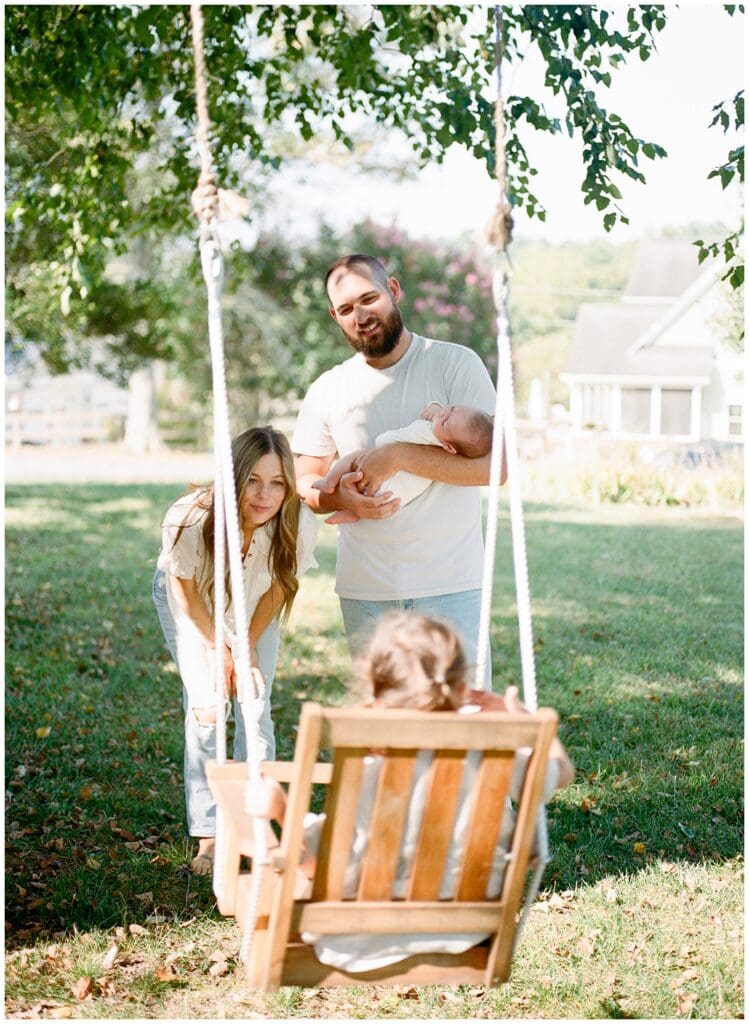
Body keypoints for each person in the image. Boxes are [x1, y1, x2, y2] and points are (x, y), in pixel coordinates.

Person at [247, 612, 574, 974]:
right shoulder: (498, 753)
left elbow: (316, 865)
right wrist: (528, 722)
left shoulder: (367, 773)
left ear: (374, 694)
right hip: (465, 931)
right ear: (463, 684)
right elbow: (561, 773)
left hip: (361, 942)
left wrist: (281, 810)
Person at [292, 253, 505, 682]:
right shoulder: (328, 388)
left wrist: (400, 456)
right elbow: (303, 481)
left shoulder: (454, 364)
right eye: (347, 309)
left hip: (452, 584)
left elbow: (496, 468)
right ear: (335, 316)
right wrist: (337, 496)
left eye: (369, 298)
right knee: (386, 729)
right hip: (366, 591)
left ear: (393, 290)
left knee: (460, 724)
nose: (361, 315)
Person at [152, 426, 318, 874]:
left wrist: (242, 648)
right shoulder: (189, 517)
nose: (266, 495)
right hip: (195, 602)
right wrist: (217, 649)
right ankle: (209, 834)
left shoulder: (295, 519)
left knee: (253, 699)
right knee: (209, 706)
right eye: (253, 480)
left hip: (255, 601)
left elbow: (281, 584)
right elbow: (183, 591)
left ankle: (256, 820)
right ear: (235, 476)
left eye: (278, 482)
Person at [313, 401, 494, 524]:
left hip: (385, 481)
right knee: (367, 499)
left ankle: (329, 482)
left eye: (446, 422)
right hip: (393, 496)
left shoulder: (429, 435)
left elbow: (388, 442)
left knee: (356, 457)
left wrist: (433, 407)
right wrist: (437, 407)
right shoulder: (446, 439)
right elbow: (439, 414)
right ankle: (351, 512)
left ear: (449, 448)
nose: (444, 413)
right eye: (452, 408)